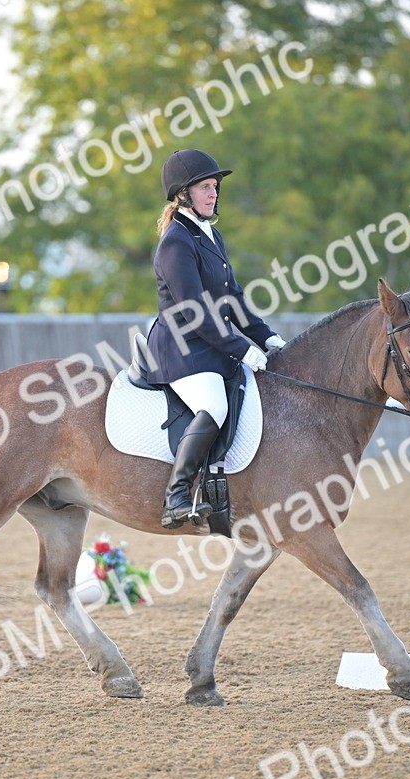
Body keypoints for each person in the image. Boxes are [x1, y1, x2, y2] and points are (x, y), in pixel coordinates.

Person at [145, 149, 286, 529]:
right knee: (215, 406)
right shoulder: (176, 242)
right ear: (183, 194)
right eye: (205, 187)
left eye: (215, 187)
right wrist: (242, 348)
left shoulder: (211, 235)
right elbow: (195, 311)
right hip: (182, 349)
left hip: (211, 346)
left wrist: (266, 337)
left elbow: (232, 299)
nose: (213, 194)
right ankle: (176, 497)